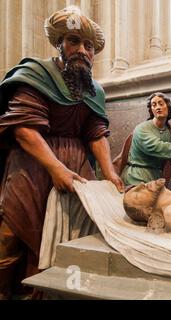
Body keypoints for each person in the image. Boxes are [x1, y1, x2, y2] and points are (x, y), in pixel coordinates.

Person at [0, 6, 124, 299]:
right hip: (33, 165)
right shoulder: (36, 73)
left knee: (75, 237)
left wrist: (110, 173)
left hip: (78, 168)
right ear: (60, 44)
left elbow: (96, 132)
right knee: (12, 235)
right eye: (73, 41)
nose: (82, 50)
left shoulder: (94, 89)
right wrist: (54, 167)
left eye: (89, 45)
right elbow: (24, 128)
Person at [118, 92, 171, 186]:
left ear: (168, 107)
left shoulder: (168, 130)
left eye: (161, 104)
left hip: (156, 178)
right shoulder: (142, 129)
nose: (158, 107)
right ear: (151, 110)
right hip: (136, 178)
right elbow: (157, 147)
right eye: (154, 105)